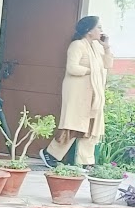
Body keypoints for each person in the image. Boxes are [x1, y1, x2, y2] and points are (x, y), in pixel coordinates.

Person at [41, 15, 112, 168]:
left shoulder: (95, 47)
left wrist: (106, 47)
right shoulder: (77, 45)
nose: (101, 30)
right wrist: (92, 71)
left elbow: (107, 65)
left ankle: (86, 162)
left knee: (90, 126)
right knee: (73, 125)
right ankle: (51, 154)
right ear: (88, 30)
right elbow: (72, 68)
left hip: (92, 94)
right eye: (98, 27)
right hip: (77, 92)